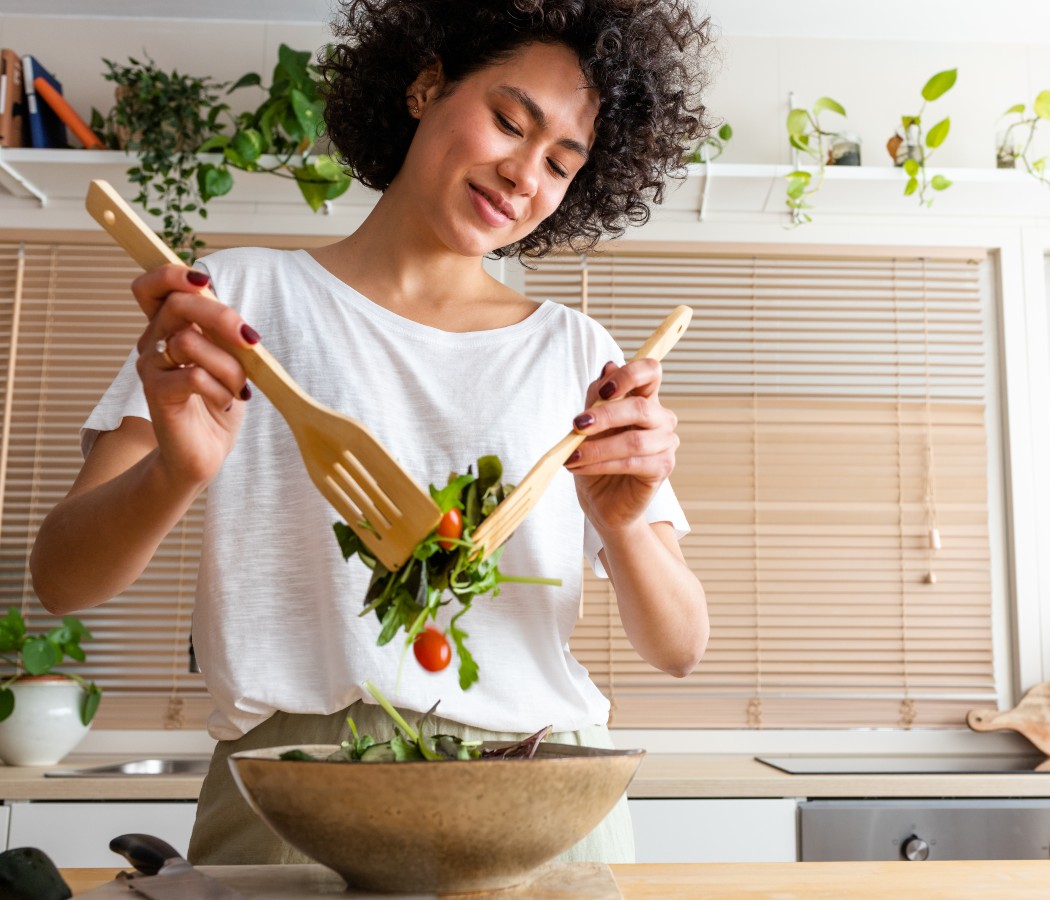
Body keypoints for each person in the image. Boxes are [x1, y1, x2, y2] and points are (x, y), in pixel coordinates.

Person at [29, 0, 711, 865]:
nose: (523, 175)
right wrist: (176, 471)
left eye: (560, 163)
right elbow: (61, 582)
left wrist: (621, 523)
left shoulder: (577, 352)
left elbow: (681, 644)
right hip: (294, 792)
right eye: (509, 121)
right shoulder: (236, 303)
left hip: (539, 793)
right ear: (426, 84)